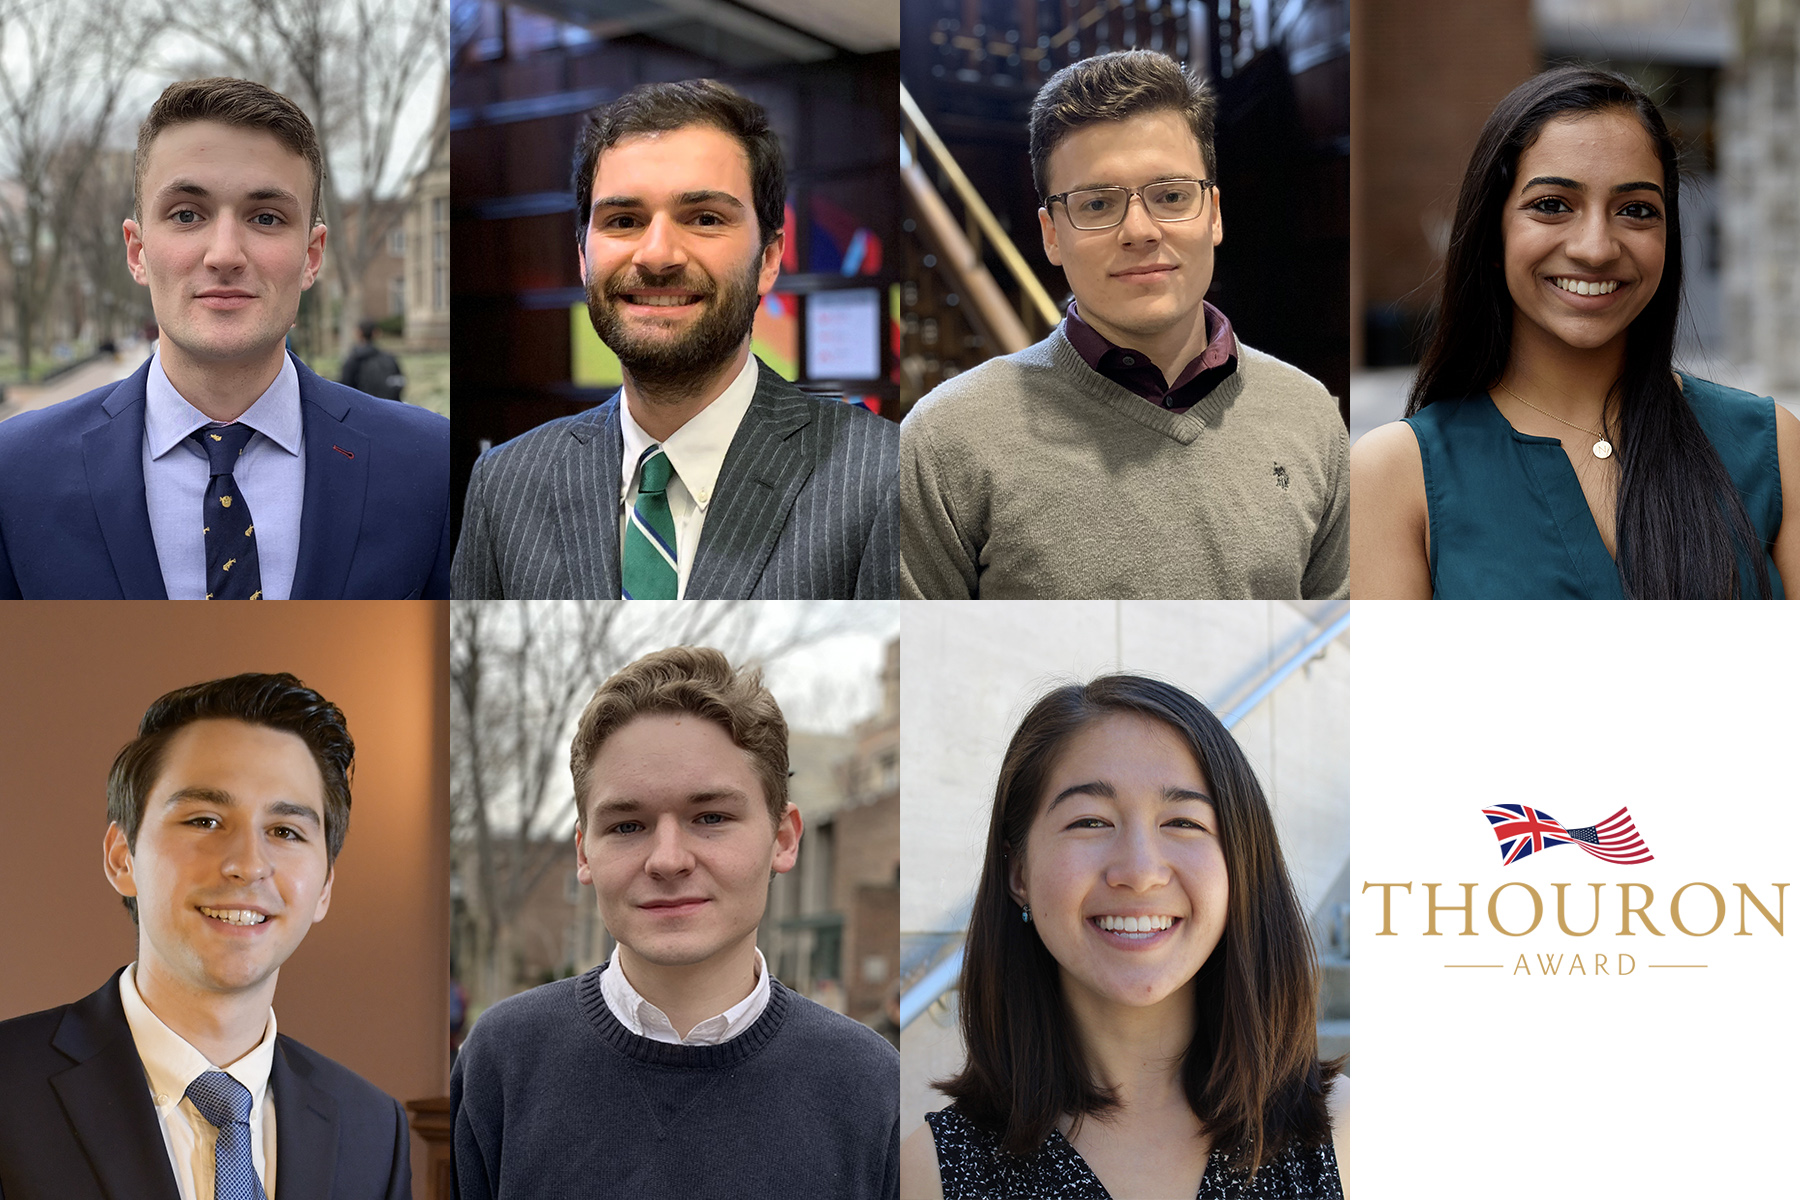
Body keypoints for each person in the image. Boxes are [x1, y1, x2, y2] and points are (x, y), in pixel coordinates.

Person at [899, 51, 1349, 600]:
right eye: (1096, 204)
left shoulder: (1310, 413)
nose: (1140, 230)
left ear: (1213, 214)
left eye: (1171, 196)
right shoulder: (945, 437)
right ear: (1051, 234)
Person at [452, 647, 899, 1199]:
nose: (667, 859)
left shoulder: (873, 1085)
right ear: (583, 853)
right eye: (627, 825)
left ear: (784, 838)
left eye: (711, 818)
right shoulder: (501, 1059)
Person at [1351, 66, 1800, 599]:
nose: (1595, 248)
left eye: (1635, 210)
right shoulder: (1395, 475)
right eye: (1552, 205)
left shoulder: (1771, 446)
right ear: (1492, 234)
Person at [0, 77, 450, 600]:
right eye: (187, 214)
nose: (224, 254)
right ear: (137, 251)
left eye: (265, 217)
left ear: (312, 256)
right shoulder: (17, 473)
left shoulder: (429, 466)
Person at [900, 675, 1347, 1199]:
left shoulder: (1345, 1133)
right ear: (1018, 872)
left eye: (1183, 821)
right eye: (1090, 821)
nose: (1139, 871)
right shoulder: (927, 1173)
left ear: (1240, 865)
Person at [452, 80, 899, 600]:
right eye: (624, 220)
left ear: (770, 259)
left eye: (704, 218)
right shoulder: (505, 485)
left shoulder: (883, 477)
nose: (657, 254)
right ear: (582, 257)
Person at [0, 673, 410, 1198]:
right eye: (205, 820)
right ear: (122, 856)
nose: (247, 865)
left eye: (285, 832)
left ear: (325, 886)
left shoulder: (374, 1131)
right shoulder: (8, 1086)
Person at [339, 319, 406, 401]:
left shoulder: (353, 360)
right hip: (389, 408)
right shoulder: (389, 359)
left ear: (358, 333)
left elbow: (345, 387)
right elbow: (399, 383)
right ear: (376, 333)